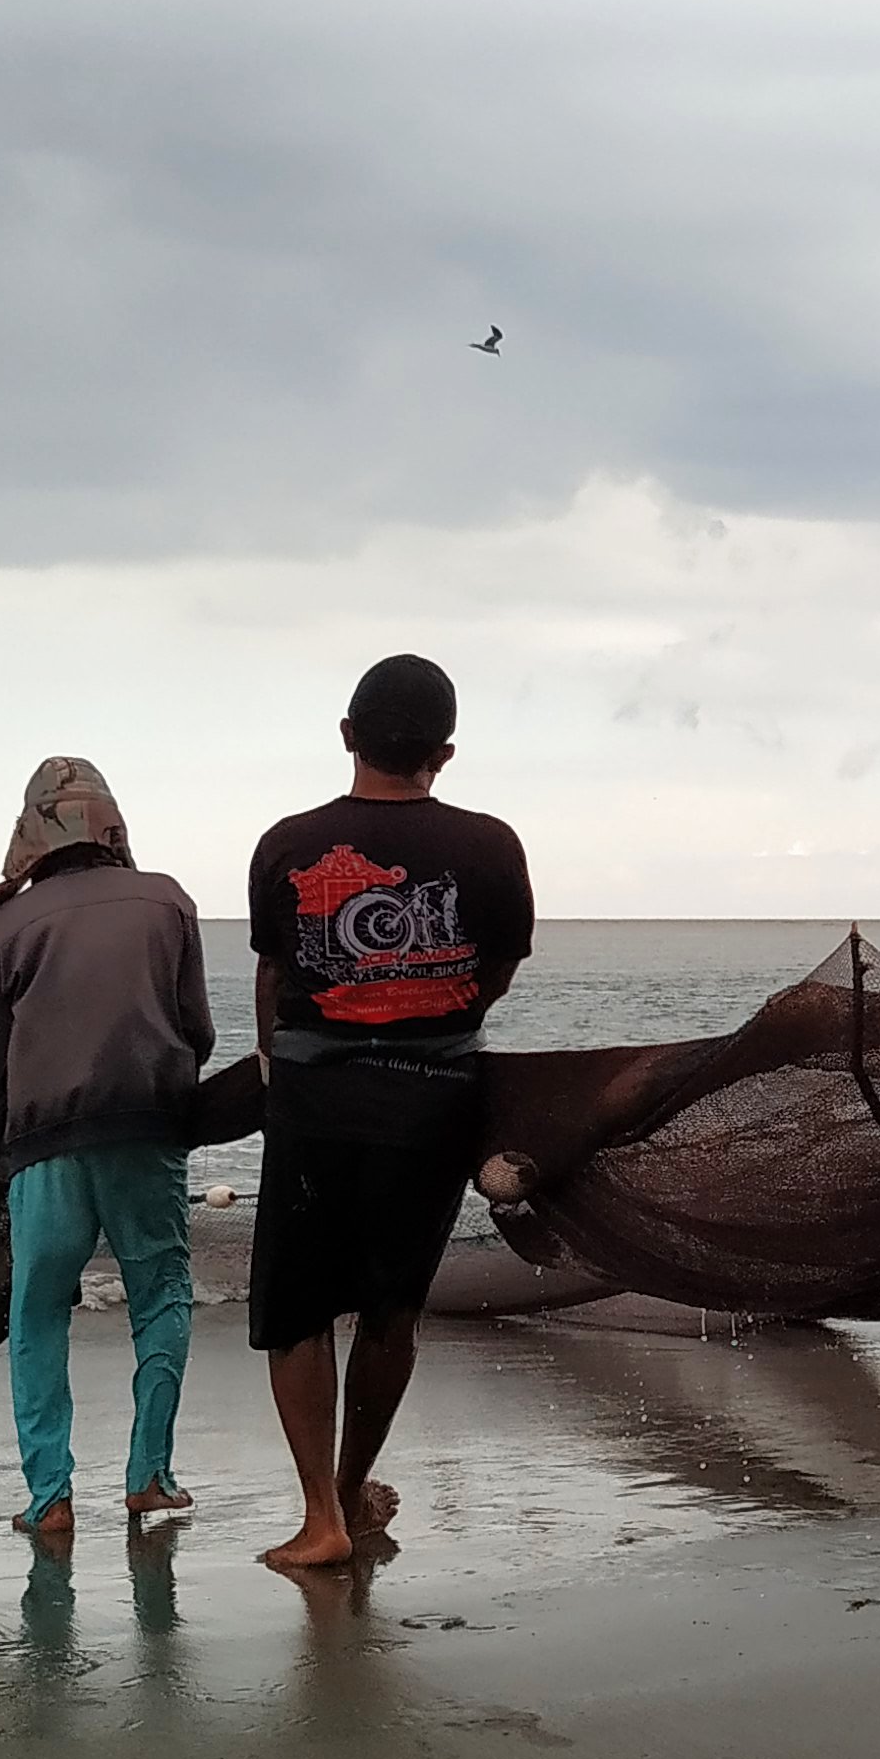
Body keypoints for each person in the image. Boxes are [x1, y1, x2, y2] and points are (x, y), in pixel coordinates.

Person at [245, 654, 533, 1571]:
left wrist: (275, 1063)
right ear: (443, 754)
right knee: (389, 1310)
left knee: (295, 1312)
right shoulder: (491, 846)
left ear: (346, 736)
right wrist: (433, 1016)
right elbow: (497, 974)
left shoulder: (287, 844)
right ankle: (354, 1480)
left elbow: (275, 974)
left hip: (313, 1106)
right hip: (433, 1105)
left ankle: (320, 1513)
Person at [0, 757, 215, 1539]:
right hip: (146, 1133)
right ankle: (150, 1475)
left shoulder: (6, 927)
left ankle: (49, 1500)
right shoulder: (168, 902)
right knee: (162, 1296)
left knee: (37, 1314)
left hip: (42, 1149)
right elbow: (198, 1032)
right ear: (112, 825)